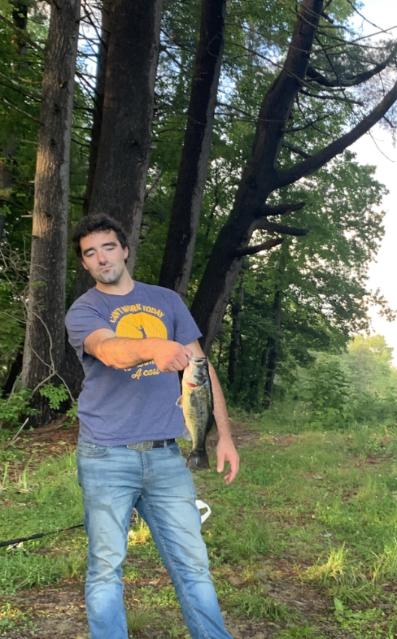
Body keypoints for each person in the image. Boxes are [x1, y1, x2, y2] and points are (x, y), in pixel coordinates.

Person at [65, 214, 239, 639]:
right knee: (106, 567)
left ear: (125, 250)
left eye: (108, 247)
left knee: (193, 563)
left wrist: (224, 435)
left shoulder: (167, 301)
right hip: (105, 456)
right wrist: (154, 348)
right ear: (85, 264)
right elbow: (109, 349)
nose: (102, 258)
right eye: (91, 253)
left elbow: (201, 367)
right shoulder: (85, 310)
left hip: (166, 456)